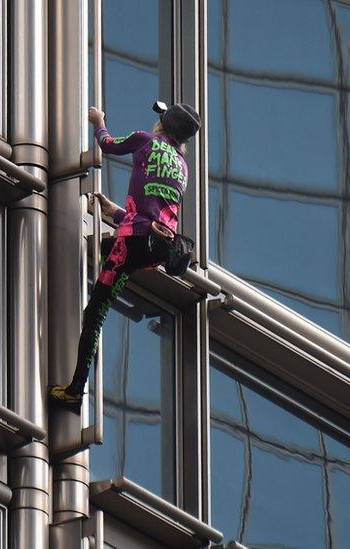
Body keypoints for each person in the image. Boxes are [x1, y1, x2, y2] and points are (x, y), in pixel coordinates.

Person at [49, 101, 201, 406]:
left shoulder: (145, 140)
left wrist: (98, 120)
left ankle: (75, 391)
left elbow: (106, 144)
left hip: (132, 242)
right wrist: (113, 211)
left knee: (95, 313)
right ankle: (76, 387)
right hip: (155, 248)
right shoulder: (182, 167)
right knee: (106, 274)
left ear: (163, 124)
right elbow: (155, 213)